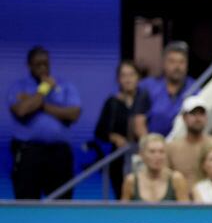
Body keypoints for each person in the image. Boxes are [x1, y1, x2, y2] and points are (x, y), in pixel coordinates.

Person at [7, 46, 81, 199]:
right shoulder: (18, 86)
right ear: (29, 65)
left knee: (61, 203)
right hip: (29, 153)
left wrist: (38, 104)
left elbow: (74, 114)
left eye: (46, 64)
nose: (43, 68)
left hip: (59, 154)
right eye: (38, 64)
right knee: (26, 203)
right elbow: (21, 111)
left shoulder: (65, 86)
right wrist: (43, 89)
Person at [93, 60, 141, 196]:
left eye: (131, 75)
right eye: (124, 76)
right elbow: (99, 131)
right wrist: (113, 137)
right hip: (119, 159)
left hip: (142, 155)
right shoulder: (112, 102)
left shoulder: (145, 100)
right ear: (118, 79)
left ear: (138, 77)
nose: (128, 79)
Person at [166, 95, 212, 191]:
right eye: (193, 114)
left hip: (211, 200)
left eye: (201, 114)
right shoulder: (172, 147)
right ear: (184, 117)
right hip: (182, 201)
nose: (198, 118)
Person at [121, 133, 189, 202]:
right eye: (152, 152)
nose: (157, 156)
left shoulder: (176, 179)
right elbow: (123, 211)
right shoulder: (131, 181)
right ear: (142, 154)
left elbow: (186, 211)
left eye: (161, 152)